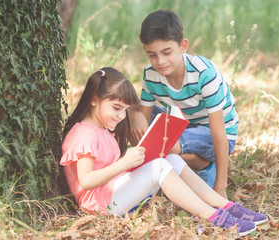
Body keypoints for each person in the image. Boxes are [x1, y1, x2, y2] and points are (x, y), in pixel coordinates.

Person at [60, 67, 267, 237]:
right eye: (116, 108)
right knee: (159, 166)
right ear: (94, 99)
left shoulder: (102, 129)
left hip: (112, 193)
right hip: (100, 205)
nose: (122, 116)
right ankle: (211, 216)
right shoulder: (83, 134)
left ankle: (226, 206)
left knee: (170, 158)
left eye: (125, 110)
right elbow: (86, 181)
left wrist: (134, 160)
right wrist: (124, 163)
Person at [129, 9, 239, 198]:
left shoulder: (204, 73)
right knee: (126, 119)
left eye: (167, 52)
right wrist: (136, 116)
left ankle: (202, 164)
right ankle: (148, 171)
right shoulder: (150, 75)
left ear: (183, 46)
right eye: (152, 54)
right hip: (184, 126)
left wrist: (221, 187)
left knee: (165, 141)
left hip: (218, 134)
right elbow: (143, 126)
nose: (160, 61)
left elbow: (219, 133)